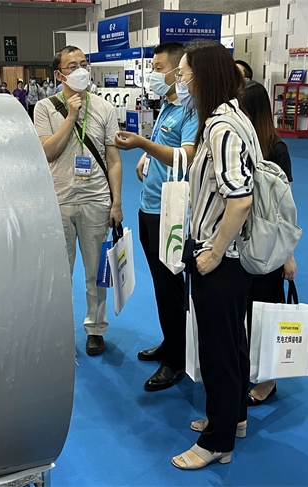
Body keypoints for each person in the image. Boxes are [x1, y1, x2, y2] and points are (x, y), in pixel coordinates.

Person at [169, 40, 257, 470]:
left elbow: (239, 199)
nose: (180, 82)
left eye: (184, 74)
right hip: (233, 259)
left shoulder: (221, 128)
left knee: (218, 352)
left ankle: (216, 441)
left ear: (203, 77)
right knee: (232, 343)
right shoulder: (233, 118)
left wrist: (214, 252)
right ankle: (232, 417)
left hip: (222, 258)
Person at [114, 42, 199, 392]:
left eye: (160, 67)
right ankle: (171, 342)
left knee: (170, 286)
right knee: (161, 285)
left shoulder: (192, 112)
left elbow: (186, 155)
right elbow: (164, 145)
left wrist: (143, 146)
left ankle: (177, 359)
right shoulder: (167, 104)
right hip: (149, 206)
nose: (154, 73)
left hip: (171, 212)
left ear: (178, 72)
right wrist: (147, 156)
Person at [34, 45, 124, 356]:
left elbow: (113, 159)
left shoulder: (104, 108)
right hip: (58, 201)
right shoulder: (44, 108)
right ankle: (57, 330)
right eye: (72, 66)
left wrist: (116, 202)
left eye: (84, 64)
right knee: (59, 274)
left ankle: (95, 328)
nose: (81, 70)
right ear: (59, 75)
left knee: (95, 272)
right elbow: (48, 152)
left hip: (96, 200)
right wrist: (71, 115)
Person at [241, 81, 297, 406]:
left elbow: (285, 207)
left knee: (266, 313)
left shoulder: (277, 150)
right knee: (245, 312)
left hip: (269, 244)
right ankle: (248, 368)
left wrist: (288, 254)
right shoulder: (241, 144)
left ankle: (269, 380)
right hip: (243, 241)